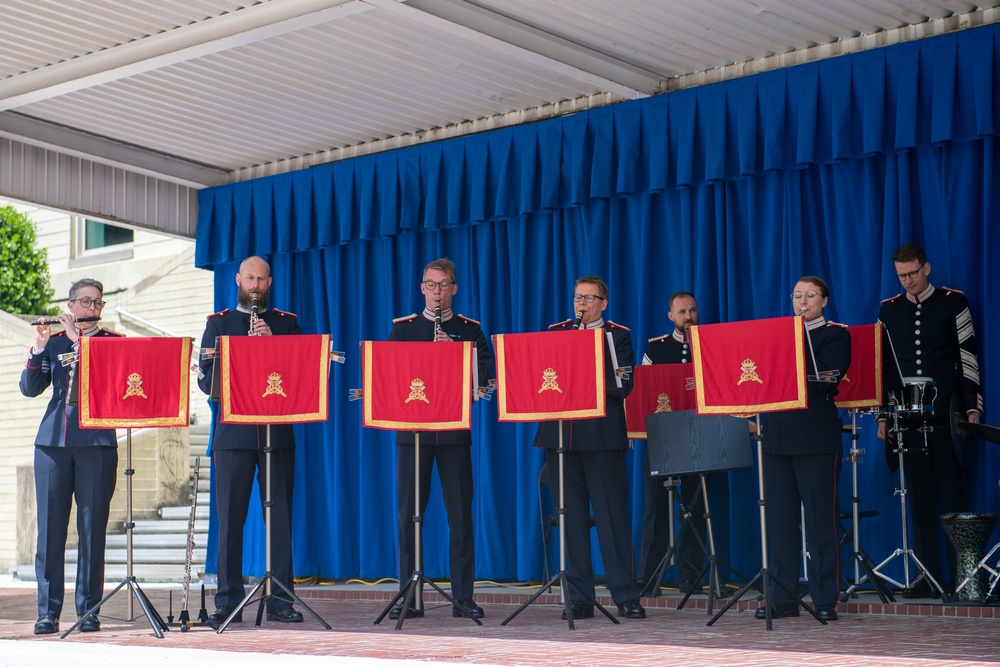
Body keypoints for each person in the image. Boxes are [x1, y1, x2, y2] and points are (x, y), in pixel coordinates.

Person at [197, 256, 304, 628]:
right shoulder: (219, 324)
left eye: (261, 279)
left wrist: (272, 346)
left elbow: (301, 376)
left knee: (280, 520)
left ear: (269, 282)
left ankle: (280, 600)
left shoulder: (286, 324)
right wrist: (241, 349)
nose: (255, 285)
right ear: (237, 279)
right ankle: (228, 602)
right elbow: (205, 380)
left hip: (277, 431)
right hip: (233, 435)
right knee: (231, 521)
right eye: (250, 278)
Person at [387, 258, 493, 620]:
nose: (437, 292)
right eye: (431, 285)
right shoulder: (402, 330)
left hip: (452, 434)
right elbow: (389, 378)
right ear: (422, 289)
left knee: (460, 517)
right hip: (412, 433)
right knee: (408, 516)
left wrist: (456, 355)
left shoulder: (470, 331)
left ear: (454, 289)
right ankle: (409, 597)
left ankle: (463, 598)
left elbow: (488, 379)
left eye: (444, 285)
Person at [533, 276, 645, 620]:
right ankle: (580, 597)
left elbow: (624, 386)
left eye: (589, 298)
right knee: (571, 518)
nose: (581, 303)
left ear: (603, 303)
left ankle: (626, 596)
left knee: (611, 517)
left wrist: (588, 368)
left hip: (601, 437)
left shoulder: (618, 335)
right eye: (578, 297)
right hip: (562, 437)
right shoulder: (556, 332)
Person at [877, 242, 983, 596]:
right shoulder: (888, 311)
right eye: (901, 276)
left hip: (946, 416)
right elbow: (884, 370)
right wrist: (883, 416)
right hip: (907, 419)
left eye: (912, 273)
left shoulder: (954, 302)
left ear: (927, 269)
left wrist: (972, 407)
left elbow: (968, 357)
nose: (907, 281)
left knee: (953, 496)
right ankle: (926, 578)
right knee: (919, 500)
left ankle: (962, 580)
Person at [19, 279, 123, 635]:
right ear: (71, 304)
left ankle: (88, 610)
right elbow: (30, 389)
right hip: (53, 444)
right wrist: (39, 347)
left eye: (97, 302)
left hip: (97, 444)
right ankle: (47, 612)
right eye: (84, 301)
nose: (91, 308)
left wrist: (81, 344)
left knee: (92, 531)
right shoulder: (55, 341)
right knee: (49, 532)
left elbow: (112, 383)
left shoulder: (113, 343)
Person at [757, 276, 851, 622]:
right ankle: (783, 597)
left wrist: (792, 349)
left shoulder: (836, 335)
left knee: (819, 520)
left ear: (824, 301)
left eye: (810, 295)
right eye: (797, 295)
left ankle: (825, 597)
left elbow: (827, 376)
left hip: (816, 439)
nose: (802, 301)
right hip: (778, 437)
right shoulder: (777, 338)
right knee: (780, 522)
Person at [638, 291, 713, 594]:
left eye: (693, 311)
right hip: (662, 435)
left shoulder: (708, 344)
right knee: (655, 506)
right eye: (682, 312)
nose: (688, 317)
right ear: (671, 316)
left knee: (696, 506)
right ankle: (650, 576)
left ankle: (691, 576)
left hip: (698, 435)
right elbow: (642, 388)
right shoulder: (656, 348)